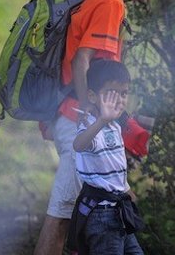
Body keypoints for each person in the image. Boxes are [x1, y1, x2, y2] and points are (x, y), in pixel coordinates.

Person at [34, 0, 173, 255]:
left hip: (68, 115)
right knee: (62, 220)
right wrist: (92, 116)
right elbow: (83, 61)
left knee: (74, 218)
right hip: (76, 119)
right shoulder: (110, 3)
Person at [68, 59, 144, 255]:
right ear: (92, 96)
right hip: (102, 215)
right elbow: (79, 145)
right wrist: (101, 121)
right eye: (111, 93)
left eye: (124, 93)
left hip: (119, 209)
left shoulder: (115, 126)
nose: (118, 99)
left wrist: (127, 189)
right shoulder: (92, 125)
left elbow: (113, 164)